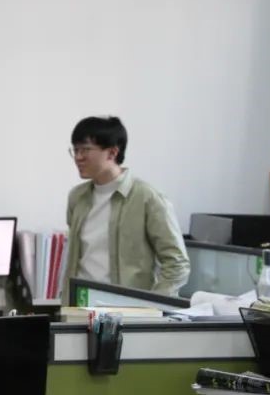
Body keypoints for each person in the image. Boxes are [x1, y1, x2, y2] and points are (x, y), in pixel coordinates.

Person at [62, 116, 189, 299]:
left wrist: (153, 305)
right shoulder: (77, 197)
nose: (78, 157)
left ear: (112, 152)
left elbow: (177, 264)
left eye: (85, 149)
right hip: (80, 302)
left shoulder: (147, 198)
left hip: (126, 308)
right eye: (75, 150)